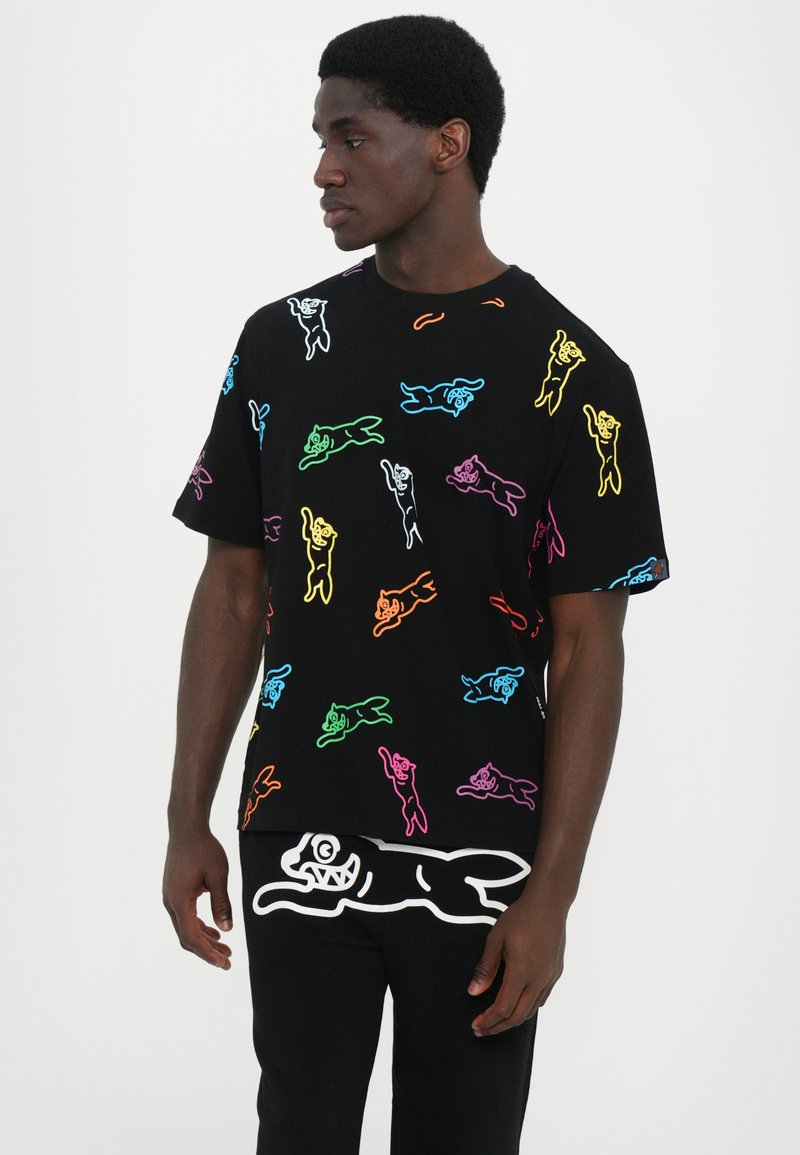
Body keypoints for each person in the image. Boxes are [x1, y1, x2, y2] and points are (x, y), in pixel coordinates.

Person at [162, 15, 669, 1155]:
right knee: (299, 1133)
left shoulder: (574, 374)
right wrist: (186, 814)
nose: (323, 169)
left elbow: (589, 646)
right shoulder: (282, 345)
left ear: (448, 143)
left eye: (352, 136)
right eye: (319, 139)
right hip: (301, 824)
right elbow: (233, 589)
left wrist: (552, 893)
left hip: (482, 851)